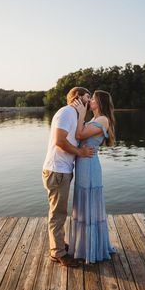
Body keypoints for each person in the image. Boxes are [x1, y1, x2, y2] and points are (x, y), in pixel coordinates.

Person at [42, 87, 94, 267]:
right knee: (58, 214)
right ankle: (58, 253)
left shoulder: (74, 115)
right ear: (77, 97)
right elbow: (60, 141)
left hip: (62, 170)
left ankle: (57, 244)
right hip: (57, 170)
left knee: (59, 211)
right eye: (88, 97)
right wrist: (80, 152)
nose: (90, 101)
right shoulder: (66, 112)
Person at [69, 90, 116, 264]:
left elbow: (79, 135)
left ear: (100, 103)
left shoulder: (103, 119)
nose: (91, 101)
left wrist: (81, 114)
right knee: (82, 204)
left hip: (89, 166)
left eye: (94, 99)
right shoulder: (95, 119)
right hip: (83, 163)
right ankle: (83, 246)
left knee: (89, 202)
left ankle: (92, 249)